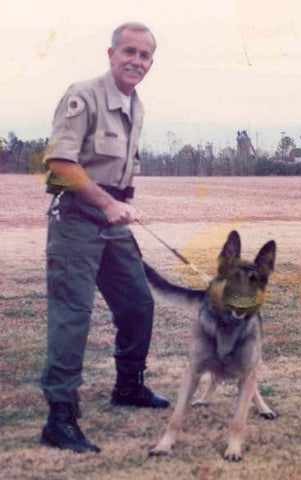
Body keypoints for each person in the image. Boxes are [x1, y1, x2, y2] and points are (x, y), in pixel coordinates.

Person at [40, 22, 169, 454]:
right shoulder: (85, 95)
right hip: (76, 216)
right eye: (129, 52)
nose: (137, 61)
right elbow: (60, 163)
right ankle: (60, 417)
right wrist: (106, 203)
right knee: (72, 315)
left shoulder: (137, 106)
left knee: (138, 304)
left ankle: (128, 387)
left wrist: (121, 203)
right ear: (111, 54)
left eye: (145, 55)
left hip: (112, 223)